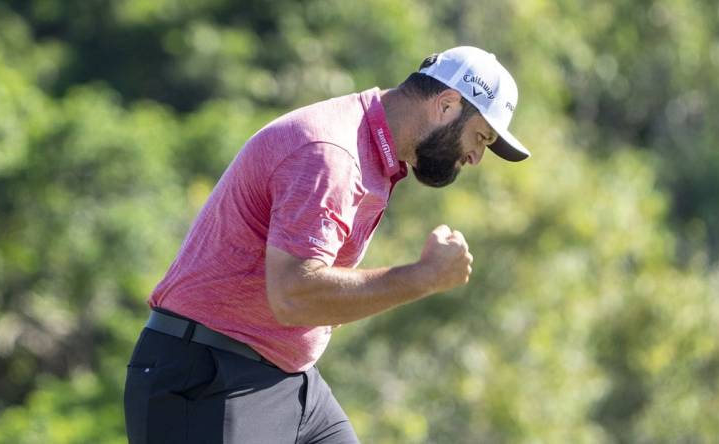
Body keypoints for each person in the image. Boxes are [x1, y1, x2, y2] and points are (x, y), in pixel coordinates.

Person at [123, 45, 531, 443]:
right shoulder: (331, 155)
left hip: (286, 379)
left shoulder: (373, 148)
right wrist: (424, 277)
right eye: (481, 136)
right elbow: (294, 296)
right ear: (446, 106)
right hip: (207, 377)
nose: (477, 156)